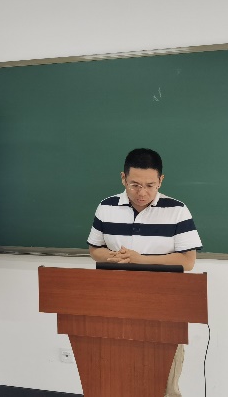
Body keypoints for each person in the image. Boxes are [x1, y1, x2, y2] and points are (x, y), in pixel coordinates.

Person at [87, 148, 202, 397]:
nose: (142, 193)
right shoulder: (106, 207)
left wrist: (140, 260)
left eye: (150, 185)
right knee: (119, 374)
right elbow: (95, 249)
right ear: (123, 178)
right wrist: (112, 256)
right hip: (116, 302)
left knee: (164, 381)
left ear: (161, 180)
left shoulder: (177, 210)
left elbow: (188, 260)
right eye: (135, 185)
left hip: (164, 305)